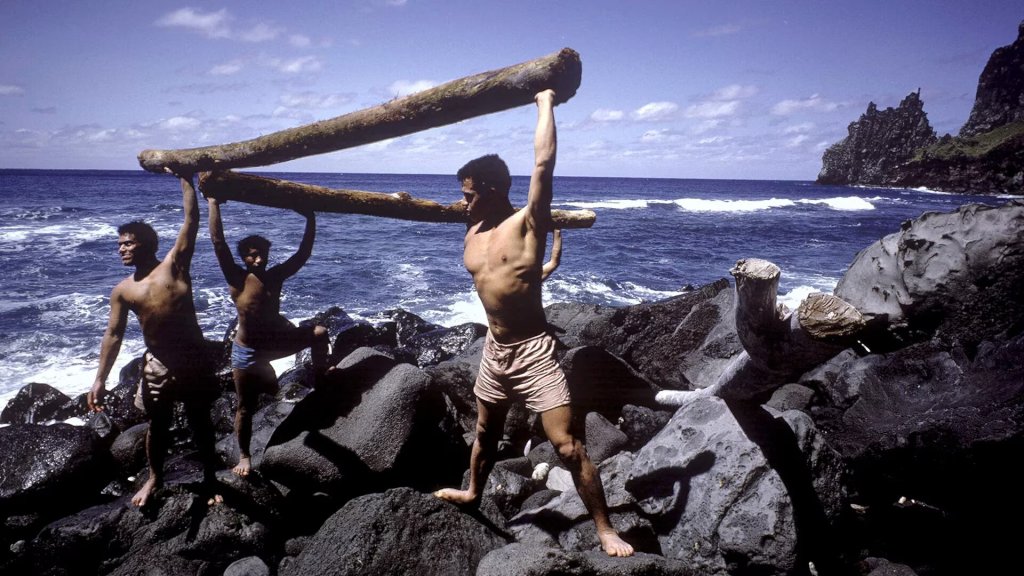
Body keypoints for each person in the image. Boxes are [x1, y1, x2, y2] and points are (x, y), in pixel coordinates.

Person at [434, 90, 634, 557]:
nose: (461, 203)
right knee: (485, 434)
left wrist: (544, 102)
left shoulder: (528, 223)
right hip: (494, 351)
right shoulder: (472, 229)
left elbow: (542, 165)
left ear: (491, 190)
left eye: (467, 195)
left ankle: (605, 528)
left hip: (534, 352)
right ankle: (473, 493)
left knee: (566, 446)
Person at [88, 171, 222, 508]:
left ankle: (210, 478)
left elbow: (190, 219)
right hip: (158, 364)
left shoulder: (174, 266)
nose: (122, 249)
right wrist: (100, 378)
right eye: (119, 244)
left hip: (193, 358)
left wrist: (186, 178)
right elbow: (114, 334)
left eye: (128, 243)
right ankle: (154, 477)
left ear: (146, 244)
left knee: (200, 421)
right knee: (157, 426)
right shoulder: (123, 290)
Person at [208, 198, 331, 477]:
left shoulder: (275, 276)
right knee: (244, 407)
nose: (259, 258)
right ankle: (244, 455)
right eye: (253, 254)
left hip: (276, 345)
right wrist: (213, 203)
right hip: (247, 352)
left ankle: (323, 379)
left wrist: (310, 218)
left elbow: (303, 254)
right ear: (244, 257)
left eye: (262, 253)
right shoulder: (237, 278)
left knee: (320, 333)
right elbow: (218, 242)